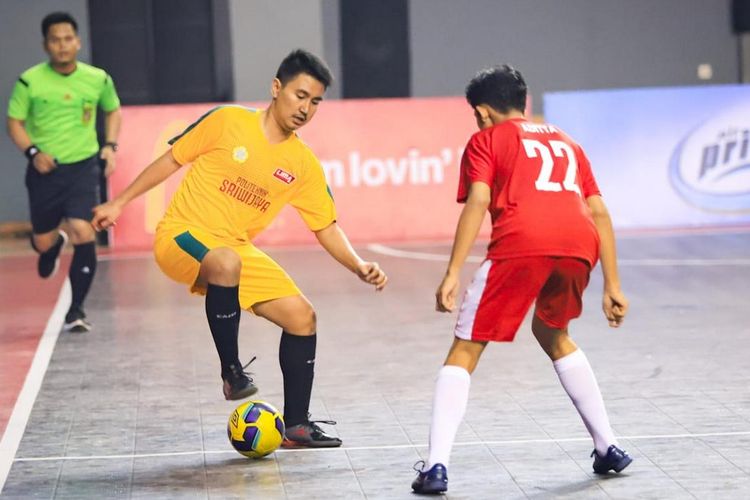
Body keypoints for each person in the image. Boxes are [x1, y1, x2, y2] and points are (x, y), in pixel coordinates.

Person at [91, 49, 387, 448]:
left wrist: (357, 264)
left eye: (315, 101)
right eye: (300, 95)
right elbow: (170, 160)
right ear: (276, 87)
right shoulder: (227, 121)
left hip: (235, 249)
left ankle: (297, 425)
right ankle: (231, 372)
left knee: (302, 317)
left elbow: (326, 226)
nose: (306, 108)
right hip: (181, 234)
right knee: (226, 261)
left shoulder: (302, 164)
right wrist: (119, 202)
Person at [411, 65, 632, 494]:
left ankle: (436, 466)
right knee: (553, 331)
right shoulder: (567, 141)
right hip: (578, 244)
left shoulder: (485, 140)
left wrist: (453, 271)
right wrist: (613, 285)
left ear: (482, 112)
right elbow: (600, 211)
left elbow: (478, 201)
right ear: (523, 101)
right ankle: (609, 446)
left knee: (466, 347)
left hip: (522, 242)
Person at [6, 12, 121, 333]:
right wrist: (32, 152)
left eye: (68, 38)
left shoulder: (98, 78)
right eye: (55, 40)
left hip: (83, 167)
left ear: (78, 41)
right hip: (45, 170)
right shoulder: (30, 80)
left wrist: (110, 145)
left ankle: (77, 310)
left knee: (84, 232)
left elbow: (113, 109)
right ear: (46, 45)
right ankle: (51, 245)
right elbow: (13, 122)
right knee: (42, 242)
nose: (62, 45)